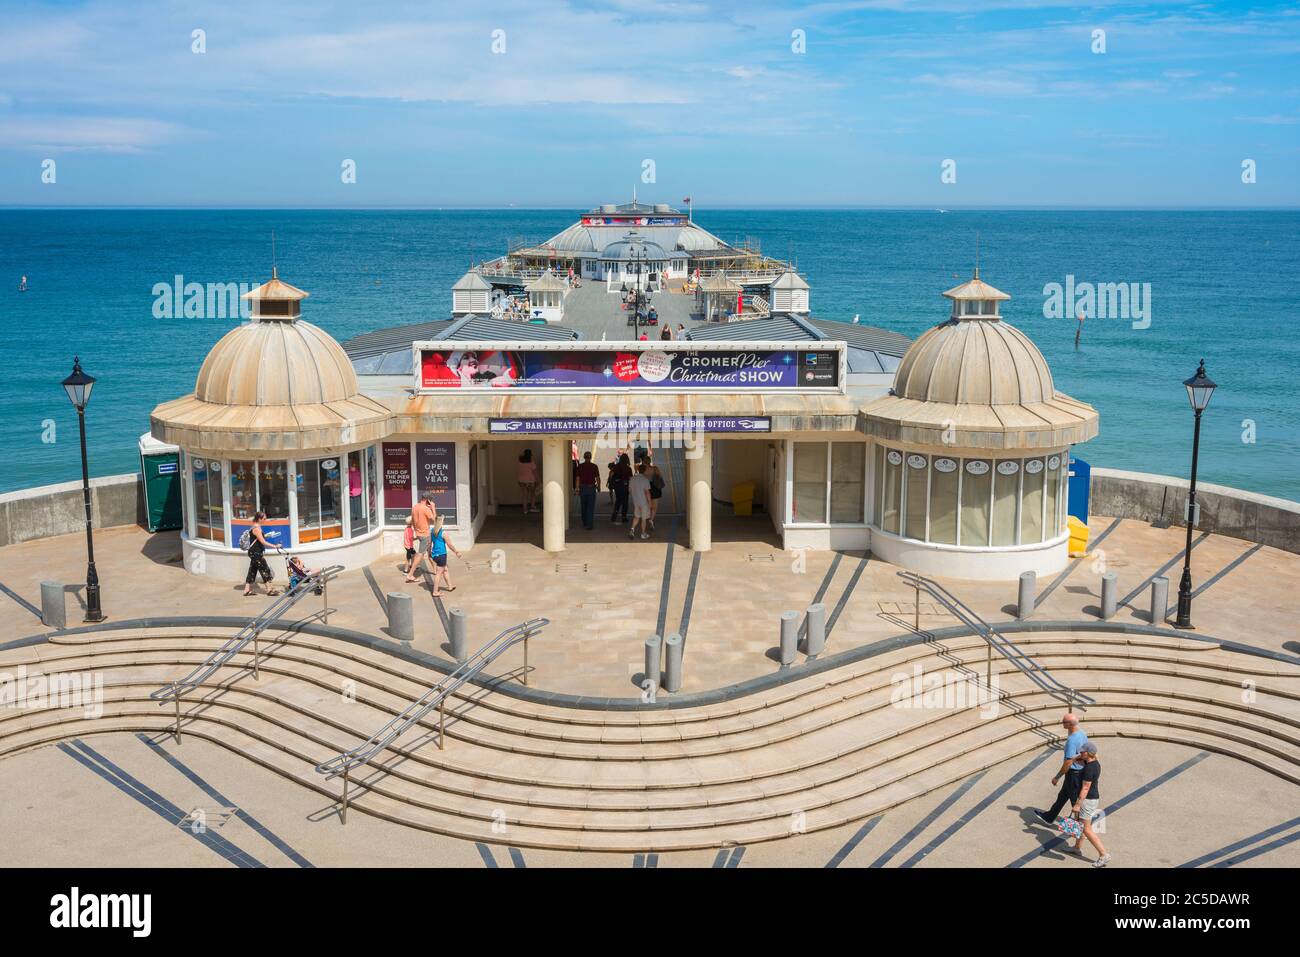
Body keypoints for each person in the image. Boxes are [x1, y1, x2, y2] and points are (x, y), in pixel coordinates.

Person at [1038, 713, 1088, 825]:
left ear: (1070, 725)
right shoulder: (1082, 733)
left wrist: (1057, 777)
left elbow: (1068, 762)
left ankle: (1082, 828)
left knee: (1075, 802)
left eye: (1064, 722)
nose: (1062, 723)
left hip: (1073, 774)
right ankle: (1049, 817)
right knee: (1063, 795)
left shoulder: (1071, 740)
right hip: (1079, 771)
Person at [1068, 742, 1110, 866]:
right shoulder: (1094, 762)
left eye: (1082, 752)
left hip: (1087, 800)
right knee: (1080, 824)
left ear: (1088, 753)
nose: (1080, 753)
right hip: (1091, 799)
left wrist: (1077, 804)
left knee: (1086, 829)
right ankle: (1076, 848)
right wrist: (1078, 757)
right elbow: (1077, 758)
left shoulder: (1089, 768)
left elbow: (1085, 788)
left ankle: (1103, 854)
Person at [242, 511, 283, 597]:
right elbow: (263, 542)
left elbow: (259, 539)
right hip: (255, 552)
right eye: (264, 518)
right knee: (264, 569)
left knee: (252, 571)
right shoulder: (256, 528)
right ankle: (269, 589)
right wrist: (275, 546)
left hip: (255, 552)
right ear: (259, 519)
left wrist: (266, 535)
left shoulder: (257, 527)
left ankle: (246, 590)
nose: (265, 520)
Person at [427, 516, 464, 598]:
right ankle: (435, 592)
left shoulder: (432, 531)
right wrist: (456, 552)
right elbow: (449, 544)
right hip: (441, 555)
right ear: (441, 522)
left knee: (445, 569)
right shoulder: (443, 533)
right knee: (439, 573)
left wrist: (429, 552)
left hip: (435, 555)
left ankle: (450, 586)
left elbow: (429, 543)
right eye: (443, 520)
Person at [405, 493, 437, 582]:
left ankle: (435, 570)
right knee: (420, 554)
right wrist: (433, 508)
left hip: (419, 534)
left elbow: (413, 521)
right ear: (428, 500)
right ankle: (410, 574)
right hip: (425, 535)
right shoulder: (426, 509)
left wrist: (416, 531)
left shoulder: (415, 507)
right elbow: (435, 520)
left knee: (429, 552)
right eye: (430, 501)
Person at [574, 451, 602, 530]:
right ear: (590, 457)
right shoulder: (594, 466)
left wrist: (577, 488)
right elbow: (598, 478)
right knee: (590, 506)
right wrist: (599, 487)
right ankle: (589, 524)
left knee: (583, 506)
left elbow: (577, 478)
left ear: (584, 457)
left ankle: (584, 521)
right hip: (591, 488)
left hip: (583, 488)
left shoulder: (580, 466)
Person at [629, 462, 653, 540]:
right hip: (644, 503)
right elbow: (647, 492)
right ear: (645, 471)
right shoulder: (645, 480)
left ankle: (632, 529)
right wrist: (650, 503)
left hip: (636, 502)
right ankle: (643, 533)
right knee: (643, 519)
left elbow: (629, 490)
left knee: (636, 517)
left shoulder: (632, 479)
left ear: (638, 470)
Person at [644, 455, 665, 529]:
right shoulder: (655, 468)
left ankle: (647, 518)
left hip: (646, 489)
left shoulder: (643, 470)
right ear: (650, 461)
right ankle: (651, 520)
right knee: (654, 507)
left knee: (647, 505)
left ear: (643, 462)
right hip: (655, 489)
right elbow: (660, 477)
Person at [610, 452, 632, 523]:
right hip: (625, 486)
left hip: (617, 486)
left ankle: (615, 514)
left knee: (618, 500)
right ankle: (624, 517)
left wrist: (613, 479)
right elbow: (630, 478)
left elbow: (611, 474)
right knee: (625, 502)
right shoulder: (628, 468)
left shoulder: (616, 466)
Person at [517, 448, 539, 514]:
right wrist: (538, 480)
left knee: (525, 495)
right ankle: (532, 507)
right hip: (531, 481)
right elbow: (535, 473)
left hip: (521, 481)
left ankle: (525, 510)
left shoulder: (520, 462)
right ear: (530, 455)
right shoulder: (532, 463)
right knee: (532, 494)